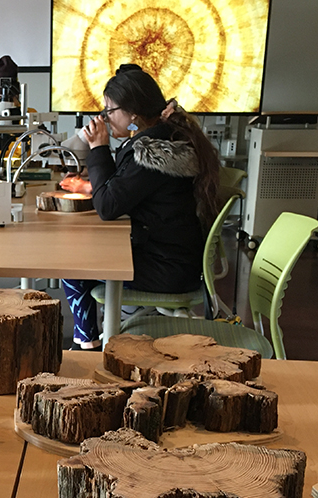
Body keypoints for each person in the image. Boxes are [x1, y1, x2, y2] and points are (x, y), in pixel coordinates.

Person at [60, 64, 221, 350]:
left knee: (72, 266)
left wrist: (98, 148)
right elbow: (121, 188)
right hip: (174, 258)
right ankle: (90, 339)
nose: (105, 117)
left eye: (110, 110)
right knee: (81, 259)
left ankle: (88, 346)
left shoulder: (149, 153)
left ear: (133, 113)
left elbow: (108, 206)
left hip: (167, 269)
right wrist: (93, 185)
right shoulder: (158, 140)